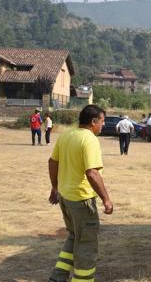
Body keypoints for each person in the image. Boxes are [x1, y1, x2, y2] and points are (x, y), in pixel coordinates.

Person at [47, 104, 113, 282]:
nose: (103, 125)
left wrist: (55, 187)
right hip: (82, 200)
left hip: (66, 197)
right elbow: (92, 173)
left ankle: (58, 277)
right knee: (87, 243)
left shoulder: (67, 134)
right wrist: (106, 199)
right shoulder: (89, 139)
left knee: (74, 236)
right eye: (102, 121)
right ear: (93, 121)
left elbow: (52, 162)